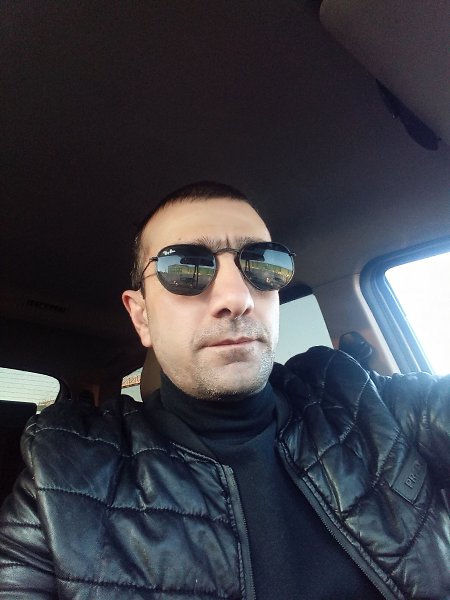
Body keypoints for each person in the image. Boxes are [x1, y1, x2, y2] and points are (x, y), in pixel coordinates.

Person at [0, 182, 449, 600]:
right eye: (185, 267)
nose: (238, 298)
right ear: (141, 317)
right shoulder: (61, 480)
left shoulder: (367, 404)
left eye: (263, 264)